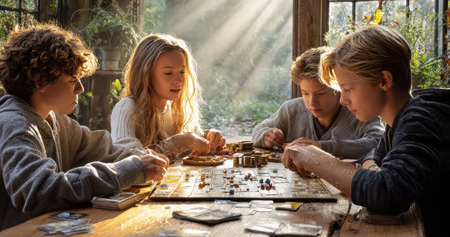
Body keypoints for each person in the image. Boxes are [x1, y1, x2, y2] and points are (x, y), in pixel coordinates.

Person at [282, 25, 450, 236]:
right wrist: (373, 169)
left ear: (384, 81)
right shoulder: (398, 121)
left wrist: (315, 158)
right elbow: (372, 156)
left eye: (348, 89)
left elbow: (389, 193)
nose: (342, 100)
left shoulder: (421, 120)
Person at [0, 24, 169, 230]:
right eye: (73, 80)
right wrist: (127, 170)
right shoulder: (15, 126)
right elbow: (40, 191)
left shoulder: (55, 119)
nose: (80, 88)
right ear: (41, 81)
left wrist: (141, 158)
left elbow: (104, 149)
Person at [252, 46, 383, 159]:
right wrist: (266, 136)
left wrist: (321, 147)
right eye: (305, 93)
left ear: (338, 88)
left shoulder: (360, 111)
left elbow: (378, 142)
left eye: (321, 94)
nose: (312, 102)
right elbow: (258, 130)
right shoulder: (291, 110)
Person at [111, 34, 225, 160]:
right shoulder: (126, 108)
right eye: (168, 73)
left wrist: (207, 136)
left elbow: (191, 139)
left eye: (182, 72)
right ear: (146, 75)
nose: (179, 80)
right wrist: (182, 141)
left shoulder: (174, 108)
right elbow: (126, 159)